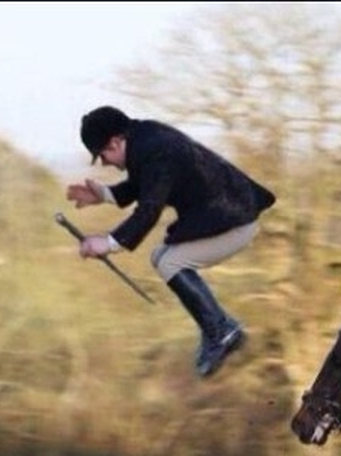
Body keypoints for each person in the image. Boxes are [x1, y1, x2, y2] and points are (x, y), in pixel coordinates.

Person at [66, 105, 275, 378]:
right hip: (227, 215)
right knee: (160, 257)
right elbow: (145, 185)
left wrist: (108, 242)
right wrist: (104, 194)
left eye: (102, 154)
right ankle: (217, 328)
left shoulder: (156, 151)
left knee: (170, 262)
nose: (105, 162)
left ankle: (222, 330)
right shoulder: (147, 138)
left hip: (235, 221)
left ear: (116, 141)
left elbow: (149, 208)